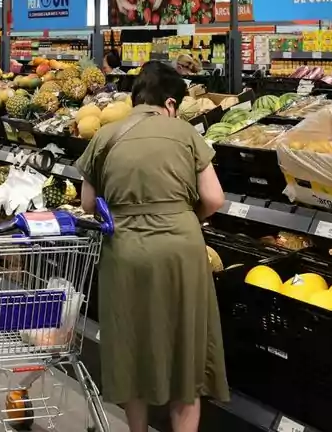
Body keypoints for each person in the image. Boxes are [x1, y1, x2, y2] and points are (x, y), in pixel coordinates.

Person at [74, 61, 228, 432]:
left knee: (131, 348)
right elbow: (214, 198)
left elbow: (87, 204)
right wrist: (184, 217)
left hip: (125, 250)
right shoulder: (185, 133)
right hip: (181, 250)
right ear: (171, 103)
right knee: (186, 353)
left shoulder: (105, 135)